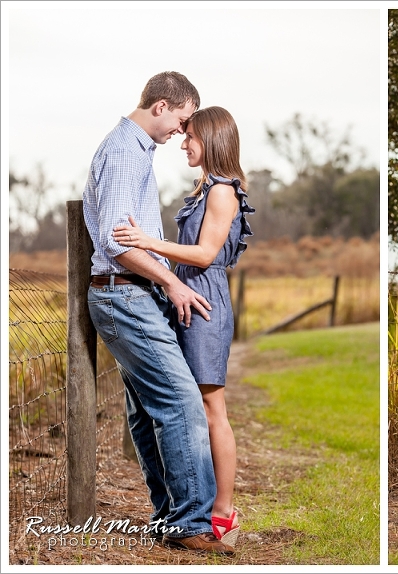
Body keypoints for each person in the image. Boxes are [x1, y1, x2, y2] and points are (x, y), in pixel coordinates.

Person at [83, 71, 234, 554]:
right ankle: (190, 523)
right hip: (123, 292)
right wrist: (170, 280)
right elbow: (113, 241)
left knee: (150, 410)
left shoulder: (134, 151)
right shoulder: (126, 152)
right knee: (182, 402)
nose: (181, 134)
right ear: (161, 105)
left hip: (130, 293)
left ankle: (171, 517)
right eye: (183, 121)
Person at [113, 106, 254, 547]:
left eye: (189, 135)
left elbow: (207, 253)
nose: (183, 142)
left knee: (212, 410)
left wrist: (148, 243)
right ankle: (198, 503)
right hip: (186, 300)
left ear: (210, 139)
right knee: (190, 407)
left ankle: (222, 514)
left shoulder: (223, 191)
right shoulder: (205, 188)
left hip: (204, 304)